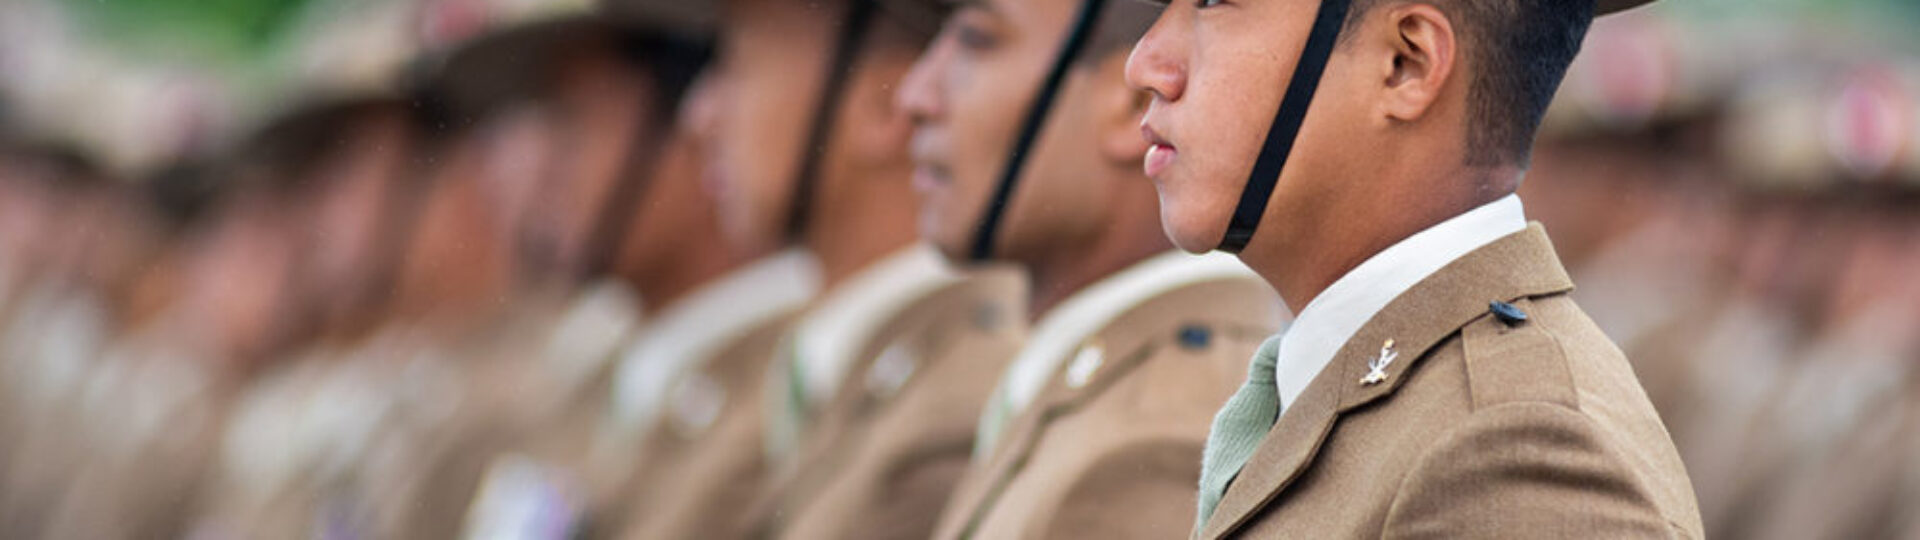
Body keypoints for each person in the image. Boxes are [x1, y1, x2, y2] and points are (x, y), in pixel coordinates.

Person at [1123, 0, 1703, 536]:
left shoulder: (1511, 452)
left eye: (1213, 1)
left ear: (1407, 62)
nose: (1145, 65)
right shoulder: (1399, 400)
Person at [611, 1, 1028, 539]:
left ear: (883, 105)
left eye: (738, 65)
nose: (698, 114)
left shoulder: (947, 416)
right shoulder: (824, 378)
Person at [885, 1, 1282, 538]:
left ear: (1129, 102)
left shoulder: (1151, 436)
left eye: (977, 40)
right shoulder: (1100, 396)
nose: (915, 97)